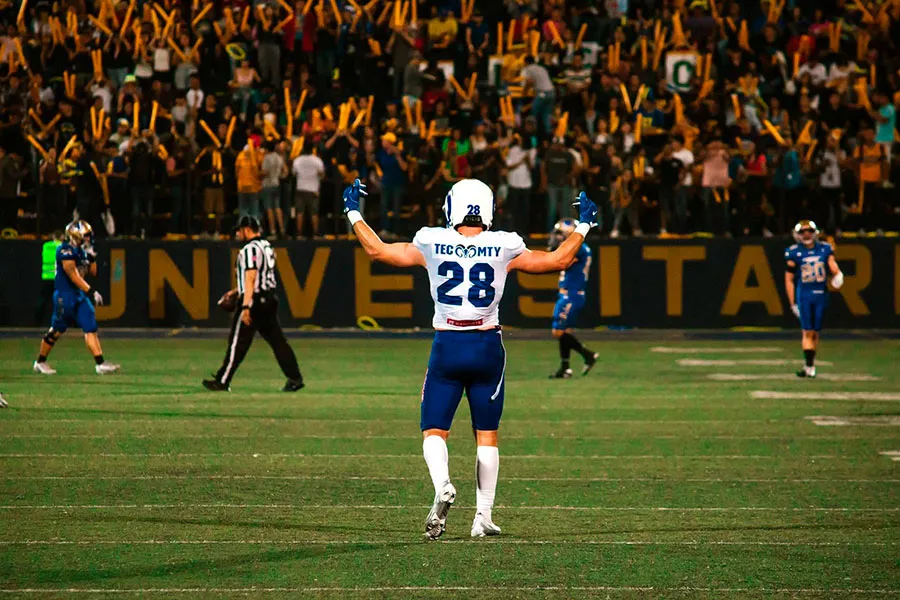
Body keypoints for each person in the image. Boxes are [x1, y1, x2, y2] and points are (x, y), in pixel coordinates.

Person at [342, 177, 598, 540]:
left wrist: (353, 212)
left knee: (434, 430)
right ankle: (483, 517)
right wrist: (585, 224)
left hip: (447, 344)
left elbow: (378, 251)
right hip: (487, 344)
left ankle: (443, 485)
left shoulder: (431, 240)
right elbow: (559, 259)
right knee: (487, 434)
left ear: (452, 207)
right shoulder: (504, 244)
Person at [203, 216, 304, 392]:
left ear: (247, 230)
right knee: (278, 342)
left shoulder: (249, 249)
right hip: (269, 299)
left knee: (237, 343)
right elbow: (261, 277)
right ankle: (295, 378)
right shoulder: (266, 246)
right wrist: (236, 291)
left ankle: (222, 381)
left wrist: (245, 306)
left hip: (254, 301)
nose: (237, 234)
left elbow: (251, 277)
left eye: (239, 230)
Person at [32, 220, 120, 375]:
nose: (88, 238)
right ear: (75, 235)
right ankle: (40, 361)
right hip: (64, 295)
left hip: (79, 294)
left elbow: (93, 272)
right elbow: (73, 276)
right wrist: (91, 291)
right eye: (85, 235)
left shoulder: (81, 250)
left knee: (90, 327)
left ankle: (100, 363)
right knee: (57, 330)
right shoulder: (64, 250)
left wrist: (92, 257)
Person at [784, 220, 844, 378]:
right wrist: (792, 302)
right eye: (802, 232)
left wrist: (838, 274)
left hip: (821, 295)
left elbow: (832, 265)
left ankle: (809, 365)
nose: (806, 234)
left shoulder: (824, 248)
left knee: (815, 332)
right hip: (804, 295)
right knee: (807, 331)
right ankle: (809, 366)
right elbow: (789, 280)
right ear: (797, 234)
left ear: (814, 232)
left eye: (809, 231)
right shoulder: (794, 252)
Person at [547, 219, 598, 378]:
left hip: (571, 294)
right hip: (572, 293)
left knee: (558, 331)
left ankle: (588, 354)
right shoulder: (581, 247)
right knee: (565, 332)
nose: (558, 238)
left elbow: (559, 262)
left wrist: (554, 250)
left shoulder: (578, 248)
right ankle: (565, 368)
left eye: (560, 234)